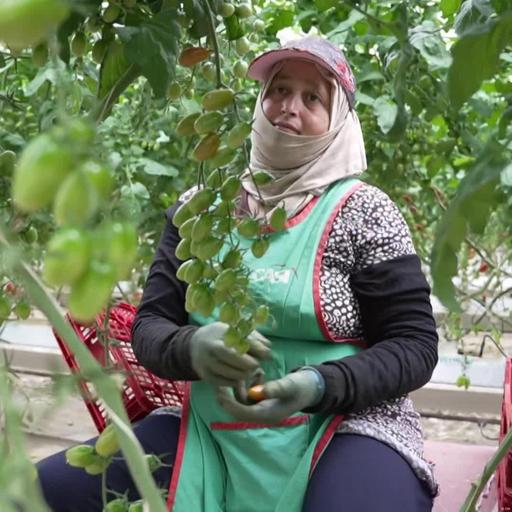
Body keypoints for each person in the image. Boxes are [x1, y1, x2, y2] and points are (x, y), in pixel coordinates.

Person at [37, 36, 439, 511]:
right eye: (279, 90)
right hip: (213, 427)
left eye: (313, 98)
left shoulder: (365, 212)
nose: (289, 107)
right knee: (42, 490)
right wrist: (190, 346)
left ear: (338, 122)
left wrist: (319, 384)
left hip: (346, 422)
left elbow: (414, 345)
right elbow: (150, 328)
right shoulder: (200, 210)